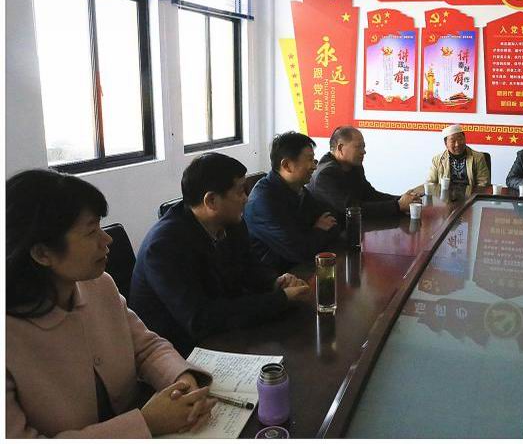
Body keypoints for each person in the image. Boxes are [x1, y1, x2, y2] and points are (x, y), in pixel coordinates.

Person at [6, 170, 215, 438]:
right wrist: (147, 423)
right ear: (42, 253)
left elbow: (147, 348)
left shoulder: (99, 285)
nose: (107, 240)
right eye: (91, 231)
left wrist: (181, 380)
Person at [129, 153, 309, 356]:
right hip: (177, 351)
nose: (246, 198)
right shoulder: (164, 245)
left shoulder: (231, 223)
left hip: (224, 334)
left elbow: (250, 268)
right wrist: (280, 299)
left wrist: (275, 282)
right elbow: (200, 319)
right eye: (240, 192)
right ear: (212, 201)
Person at [244, 132, 338, 272]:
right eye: (309, 160)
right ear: (287, 165)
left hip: (299, 268)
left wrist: (313, 234)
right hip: (275, 276)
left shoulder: (298, 189)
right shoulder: (264, 201)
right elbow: (300, 252)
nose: (314, 166)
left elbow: (333, 223)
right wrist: (318, 229)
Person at [308, 126, 420, 220]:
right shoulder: (325, 175)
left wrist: (404, 200)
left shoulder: (354, 166)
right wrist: (398, 205)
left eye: (364, 147)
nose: (364, 151)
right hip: (331, 234)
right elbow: (351, 209)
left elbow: (370, 195)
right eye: (358, 147)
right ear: (340, 148)